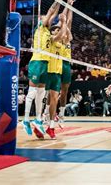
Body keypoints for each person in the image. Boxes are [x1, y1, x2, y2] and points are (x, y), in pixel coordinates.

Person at [22, 0, 66, 137]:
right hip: (37, 62)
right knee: (33, 92)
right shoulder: (41, 28)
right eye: (43, 17)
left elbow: (54, 16)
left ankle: (38, 119)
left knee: (41, 94)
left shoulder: (49, 33)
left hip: (45, 64)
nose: (46, 18)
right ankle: (25, 119)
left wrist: (63, 10)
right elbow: (51, 12)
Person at [44, 11, 69, 140]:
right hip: (47, 72)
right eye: (56, 30)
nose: (58, 32)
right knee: (43, 97)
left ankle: (51, 126)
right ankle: (43, 117)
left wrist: (65, 17)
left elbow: (65, 33)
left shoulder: (62, 44)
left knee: (55, 98)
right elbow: (61, 32)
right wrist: (63, 21)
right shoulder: (51, 39)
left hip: (57, 74)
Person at [57, 0, 76, 125]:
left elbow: (68, 21)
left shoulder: (67, 35)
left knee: (65, 91)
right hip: (56, 63)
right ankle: (47, 114)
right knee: (52, 92)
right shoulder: (57, 33)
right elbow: (63, 19)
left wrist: (70, 6)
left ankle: (62, 114)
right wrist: (66, 6)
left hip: (66, 65)